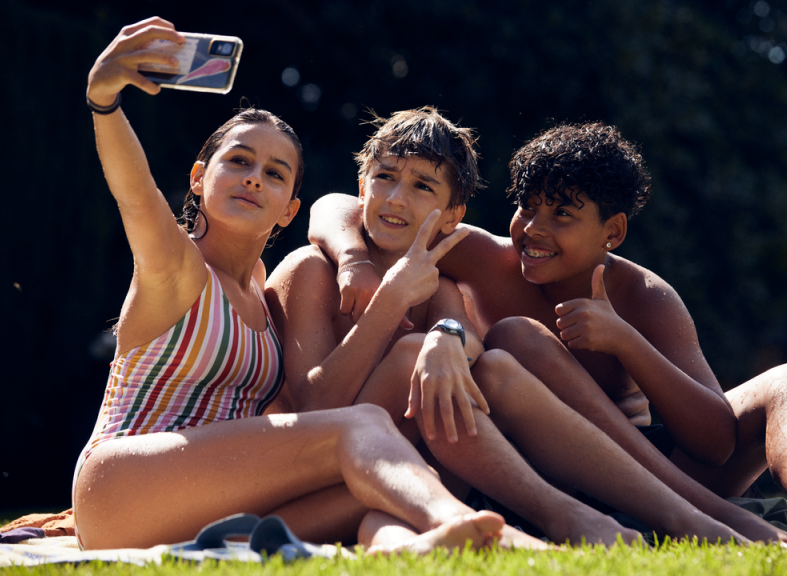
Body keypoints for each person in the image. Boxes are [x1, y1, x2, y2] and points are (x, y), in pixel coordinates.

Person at [308, 122, 787, 546]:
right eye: (528, 208)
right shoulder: (478, 255)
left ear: (614, 232)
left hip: (664, 464)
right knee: (519, 337)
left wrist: (626, 341)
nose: (533, 231)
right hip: (552, 467)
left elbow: (713, 441)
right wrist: (355, 262)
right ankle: (708, 519)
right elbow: (338, 203)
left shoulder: (644, 297)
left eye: (563, 215)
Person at [72, 17, 512, 553]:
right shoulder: (178, 268)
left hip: (210, 496)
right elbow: (137, 197)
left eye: (275, 173)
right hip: (121, 485)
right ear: (197, 177)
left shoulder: (261, 288)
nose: (255, 176)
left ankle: (411, 544)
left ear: (289, 211)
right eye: (238, 161)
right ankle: (497, 536)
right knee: (362, 424)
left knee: (385, 478)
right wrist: (105, 104)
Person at [266, 108, 746, 546]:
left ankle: (535, 536)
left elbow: (460, 331)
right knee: (448, 355)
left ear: (452, 218)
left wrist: (449, 339)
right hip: (320, 472)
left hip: (404, 478)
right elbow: (315, 409)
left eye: (422, 187)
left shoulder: (440, 273)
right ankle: (580, 517)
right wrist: (368, 277)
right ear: (363, 186)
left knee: (469, 369)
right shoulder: (313, 268)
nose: (396, 197)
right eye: (385, 179)